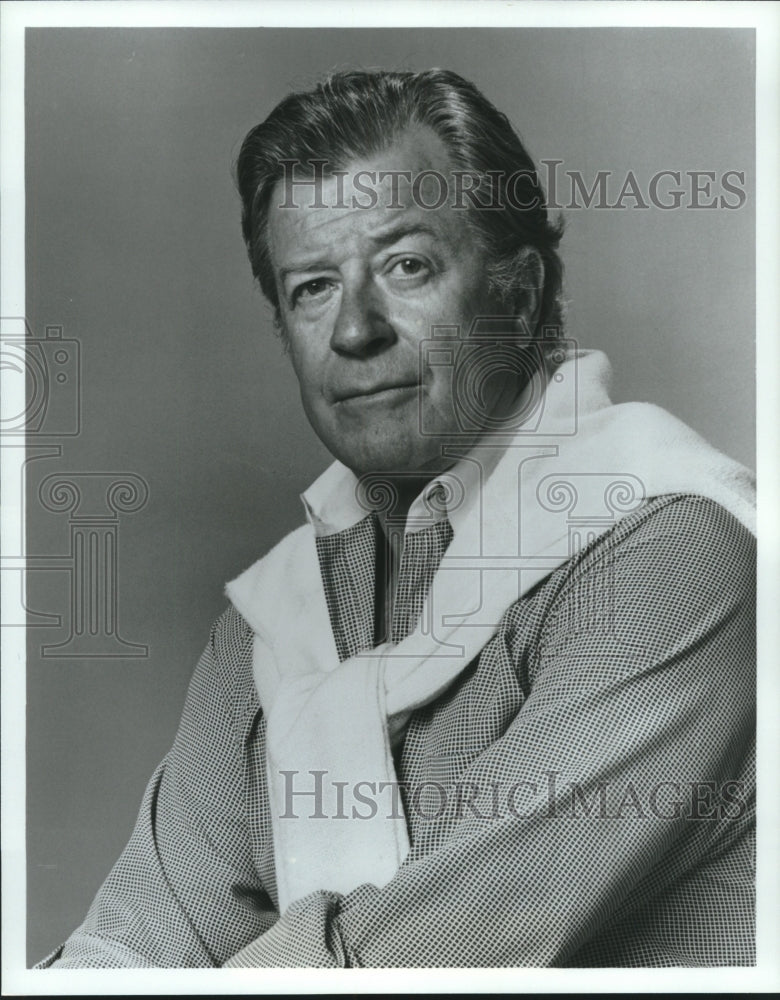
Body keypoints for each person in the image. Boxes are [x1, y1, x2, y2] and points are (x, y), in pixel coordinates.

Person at [36, 69, 756, 969]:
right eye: (313, 287)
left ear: (521, 293)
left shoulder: (669, 556)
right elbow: (128, 949)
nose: (354, 331)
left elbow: (417, 961)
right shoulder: (267, 636)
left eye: (406, 266)